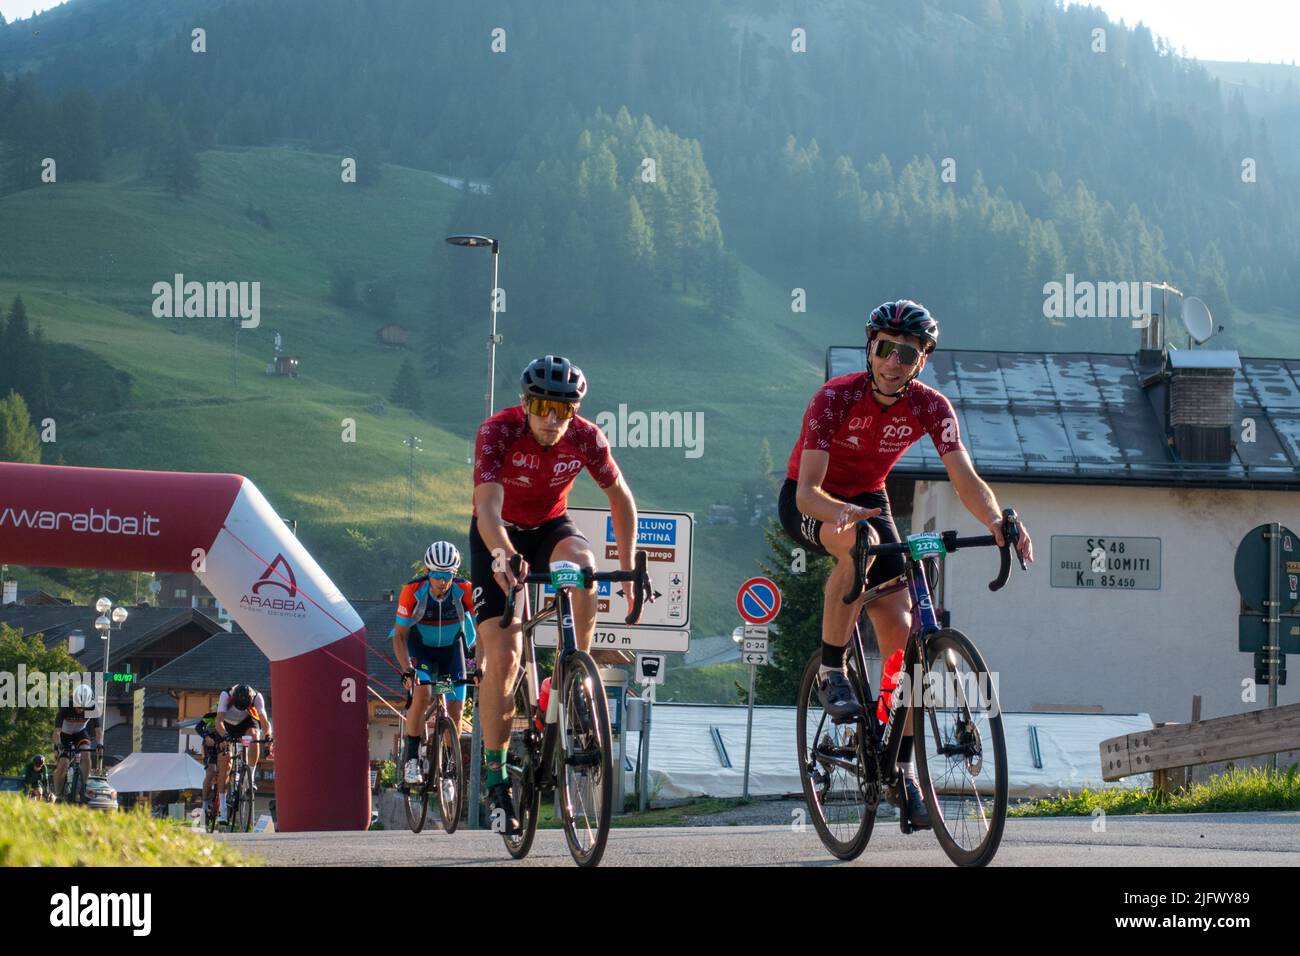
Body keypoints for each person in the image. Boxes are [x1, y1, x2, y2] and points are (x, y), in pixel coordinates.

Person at [779, 299, 1034, 829]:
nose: (894, 361)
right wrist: (842, 514)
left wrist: (995, 519)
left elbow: (963, 475)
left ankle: (900, 767)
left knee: (903, 635)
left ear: (922, 359)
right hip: (814, 500)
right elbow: (807, 490)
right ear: (870, 349)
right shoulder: (834, 399)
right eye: (886, 349)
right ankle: (831, 670)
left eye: (908, 353)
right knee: (856, 541)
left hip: (871, 499)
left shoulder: (931, 406)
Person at [471, 355, 642, 833]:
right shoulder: (498, 433)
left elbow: (621, 499)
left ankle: (572, 674)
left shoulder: (587, 437)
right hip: (497, 533)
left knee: (582, 569)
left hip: (550, 529)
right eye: (543, 406)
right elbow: (486, 507)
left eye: (563, 410)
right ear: (526, 404)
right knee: (503, 658)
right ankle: (496, 774)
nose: (552, 419)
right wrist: (503, 554)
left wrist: (627, 568)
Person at [392, 540, 477, 786]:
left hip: (451, 652)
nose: (442, 581)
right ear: (428, 572)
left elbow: (482, 631)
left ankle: (449, 769)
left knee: (456, 710)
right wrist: (408, 668)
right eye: (437, 575)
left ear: (455, 573)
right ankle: (411, 760)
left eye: (448, 575)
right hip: (422, 652)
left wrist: (481, 666)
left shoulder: (465, 590)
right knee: (424, 693)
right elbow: (399, 636)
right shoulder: (413, 591)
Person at [214, 683, 273, 824]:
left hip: (246, 722)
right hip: (226, 725)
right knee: (225, 763)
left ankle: (250, 777)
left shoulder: (257, 697)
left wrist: (269, 736)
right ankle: (222, 807)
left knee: (254, 735)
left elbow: (264, 721)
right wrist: (224, 736)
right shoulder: (225, 695)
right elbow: (218, 722)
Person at [51, 683, 103, 801]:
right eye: (78, 707)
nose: (80, 710)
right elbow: (56, 732)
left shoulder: (93, 707)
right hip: (64, 735)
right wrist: (58, 745)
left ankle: (83, 789)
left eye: (83, 708)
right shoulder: (66, 706)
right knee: (63, 764)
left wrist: (100, 744)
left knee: (86, 754)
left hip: (80, 733)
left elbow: (98, 731)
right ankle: (58, 794)